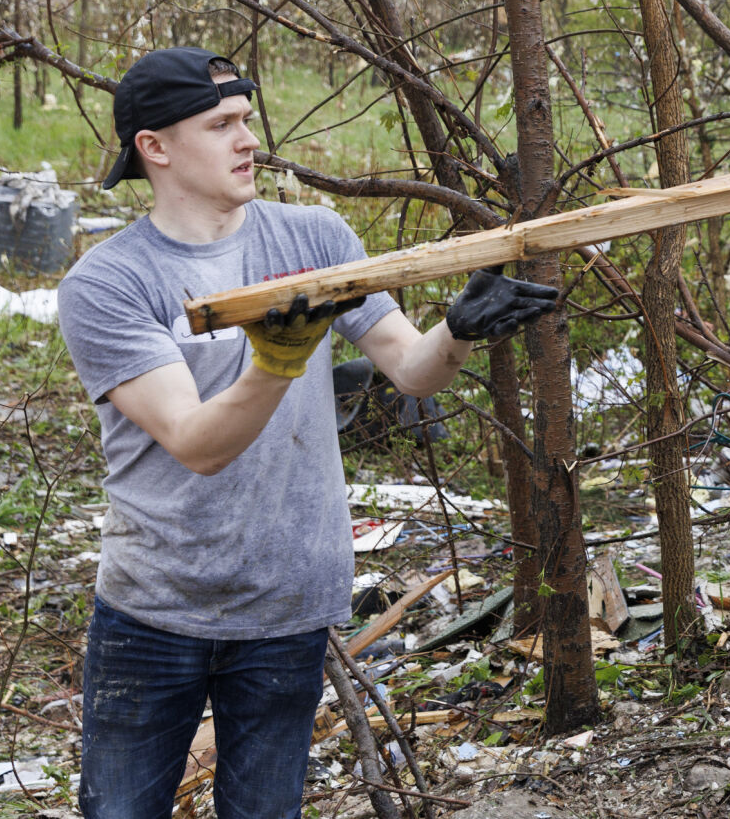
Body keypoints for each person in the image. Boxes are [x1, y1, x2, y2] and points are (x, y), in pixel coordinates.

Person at [57, 46, 559, 818]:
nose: (247, 139)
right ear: (153, 147)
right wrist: (280, 358)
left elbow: (410, 368)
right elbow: (196, 442)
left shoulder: (314, 238)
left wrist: (457, 330)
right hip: (155, 609)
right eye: (220, 124)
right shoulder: (110, 283)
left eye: (247, 120)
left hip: (288, 599)